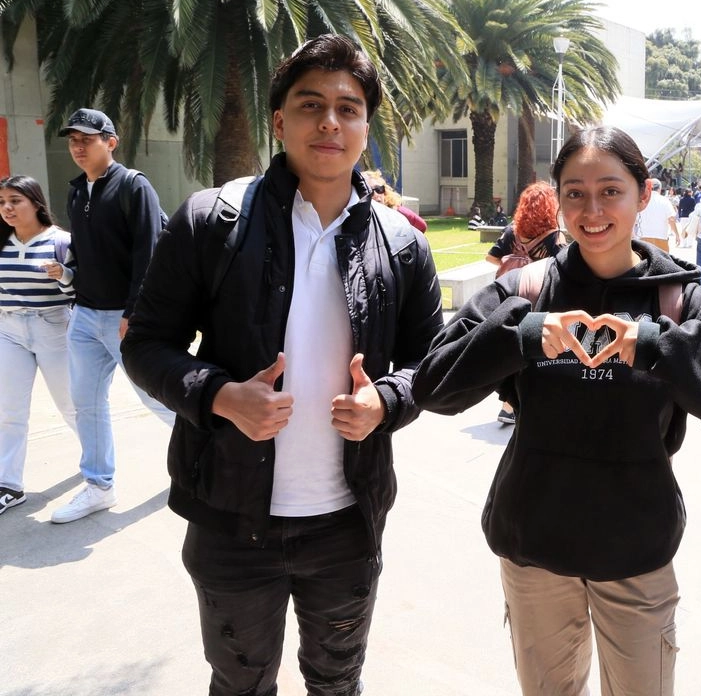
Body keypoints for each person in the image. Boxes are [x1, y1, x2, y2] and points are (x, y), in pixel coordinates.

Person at [121, 34, 444, 696]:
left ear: (366, 126)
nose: (330, 122)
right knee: (239, 684)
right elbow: (145, 342)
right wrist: (216, 394)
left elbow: (430, 362)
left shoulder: (403, 243)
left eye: (348, 108)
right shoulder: (213, 221)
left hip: (347, 523)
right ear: (278, 121)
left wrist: (387, 399)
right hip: (232, 522)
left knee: (337, 682)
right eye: (310, 104)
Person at [412, 126, 701, 696]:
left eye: (611, 191)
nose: (593, 209)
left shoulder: (679, 300)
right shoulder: (526, 290)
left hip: (635, 553)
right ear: (557, 199)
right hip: (534, 548)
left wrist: (658, 347)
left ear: (645, 194)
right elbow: (433, 386)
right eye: (575, 192)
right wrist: (526, 335)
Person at [50, 107, 174, 524]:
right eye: (73, 140)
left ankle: (209, 452)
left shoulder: (133, 186)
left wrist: (135, 312)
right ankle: (99, 487)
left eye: (87, 138)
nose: (78, 146)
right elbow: (84, 256)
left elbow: (150, 251)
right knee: (86, 403)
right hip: (84, 316)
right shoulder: (76, 191)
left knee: (155, 396)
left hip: (122, 318)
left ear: (111, 142)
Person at [0, 176, 76, 515]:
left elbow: (82, 293)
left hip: (53, 328)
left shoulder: (62, 241)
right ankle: (9, 485)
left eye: (15, 200)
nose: (7, 208)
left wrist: (63, 274)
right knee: (8, 412)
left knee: (71, 406)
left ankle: (98, 469)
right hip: (8, 330)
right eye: (2, 202)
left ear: (35, 202)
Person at [484, 180, 568, 425]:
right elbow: (563, 268)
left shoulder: (512, 230)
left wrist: (516, 263)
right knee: (538, 350)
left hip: (512, 295)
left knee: (514, 348)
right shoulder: (555, 237)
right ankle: (522, 404)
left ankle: (508, 405)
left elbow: (491, 257)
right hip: (540, 298)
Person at [363, 169, 428, 232]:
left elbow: (421, 226)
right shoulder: (357, 217)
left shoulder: (397, 211)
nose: (376, 194)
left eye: (379, 189)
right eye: (369, 191)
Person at [634, 177, 680, 252]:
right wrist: (677, 235)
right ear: (659, 189)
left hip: (643, 238)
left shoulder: (642, 201)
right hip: (661, 237)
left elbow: (634, 220)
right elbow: (671, 219)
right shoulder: (665, 201)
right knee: (661, 263)